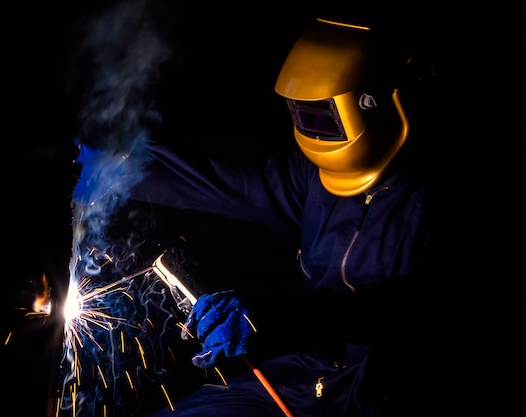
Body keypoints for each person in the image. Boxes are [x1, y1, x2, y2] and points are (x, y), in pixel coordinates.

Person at [72, 15, 437, 417]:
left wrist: (271, 317)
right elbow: (225, 182)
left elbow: (393, 314)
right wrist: (110, 167)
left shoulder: (437, 200)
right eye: (301, 114)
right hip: (303, 372)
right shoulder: (315, 176)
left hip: (383, 389)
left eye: (322, 117)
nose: (311, 130)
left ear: (378, 105)